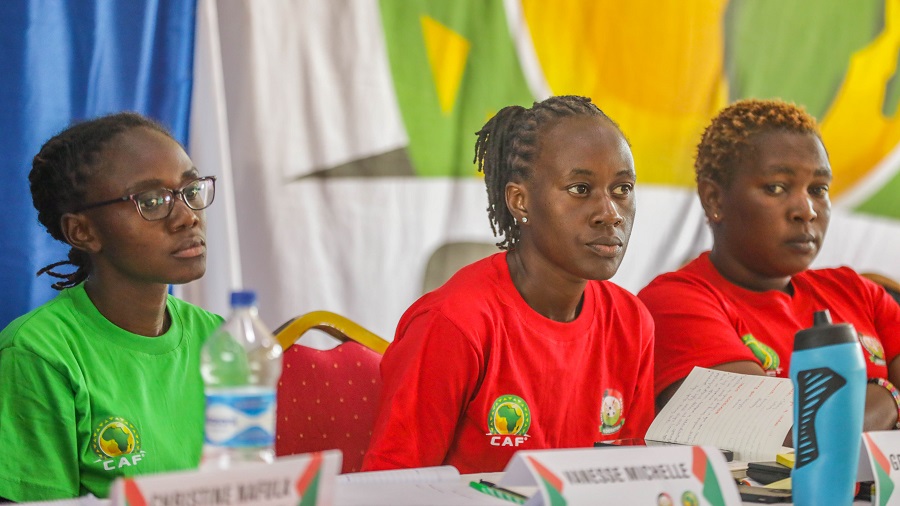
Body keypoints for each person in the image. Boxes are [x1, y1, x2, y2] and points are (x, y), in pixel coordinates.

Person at [362, 95, 655, 473]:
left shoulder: (631, 322)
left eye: (622, 189)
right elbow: (390, 489)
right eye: (581, 189)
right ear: (520, 201)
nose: (609, 213)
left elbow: (633, 481)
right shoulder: (454, 324)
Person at [638, 99, 900, 432]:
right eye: (776, 187)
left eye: (818, 189)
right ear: (714, 200)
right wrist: (889, 396)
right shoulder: (674, 302)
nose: (806, 210)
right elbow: (783, 433)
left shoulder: (858, 292)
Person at [0, 112, 223, 501]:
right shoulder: (39, 354)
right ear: (82, 231)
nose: (187, 217)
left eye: (190, 191)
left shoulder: (221, 341)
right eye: (152, 201)